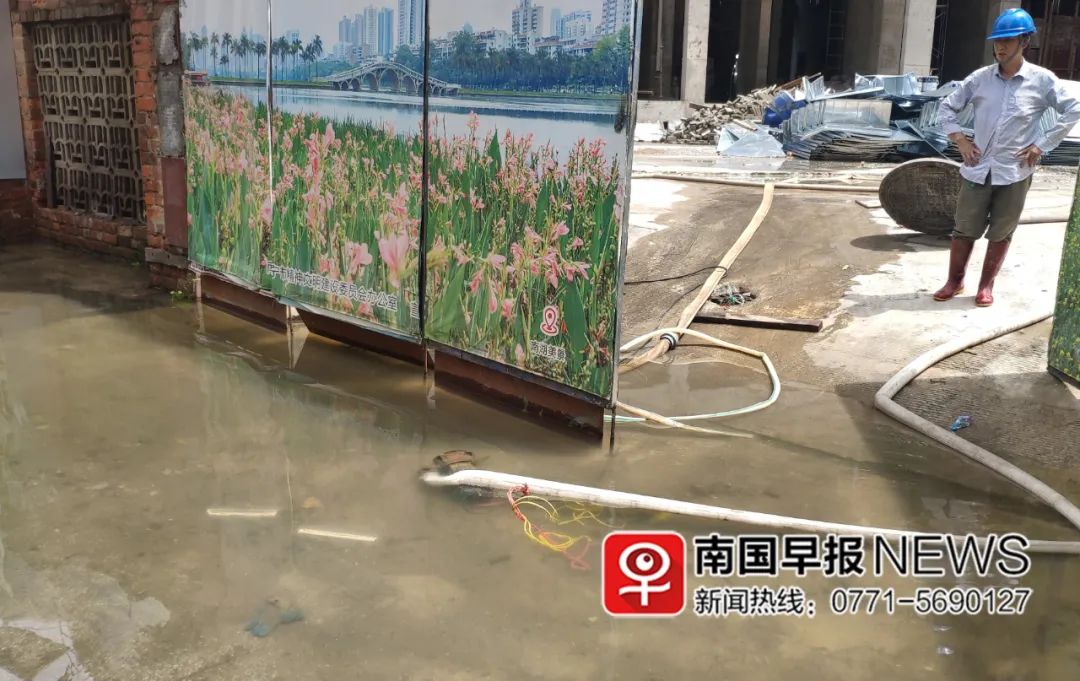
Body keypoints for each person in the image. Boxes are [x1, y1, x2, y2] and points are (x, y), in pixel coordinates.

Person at [934, 7, 1080, 307]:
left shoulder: (1042, 81)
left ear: (1024, 42)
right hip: (977, 168)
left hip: (1015, 171)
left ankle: (986, 286)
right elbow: (947, 107)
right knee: (964, 228)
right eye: (997, 41)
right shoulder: (980, 79)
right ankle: (955, 281)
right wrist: (960, 139)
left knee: (1001, 231)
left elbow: (1073, 109)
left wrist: (1041, 145)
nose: (999, 47)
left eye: (1008, 40)